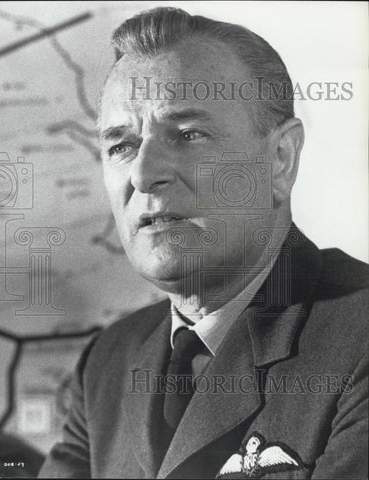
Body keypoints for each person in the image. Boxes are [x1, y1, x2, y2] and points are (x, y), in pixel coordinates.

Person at [39, 7, 368, 479]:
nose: (144, 174)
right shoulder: (109, 362)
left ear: (279, 159)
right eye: (120, 145)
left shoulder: (359, 341)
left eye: (189, 135)